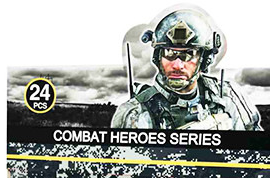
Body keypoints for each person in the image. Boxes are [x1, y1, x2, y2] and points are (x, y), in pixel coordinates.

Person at [112, 8, 261, 131]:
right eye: (169, 53)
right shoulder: (135, 114)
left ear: (204, 59)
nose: (177, 65)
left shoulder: (229, 96)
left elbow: (257, 148)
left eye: (188, 54)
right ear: (158, 58)